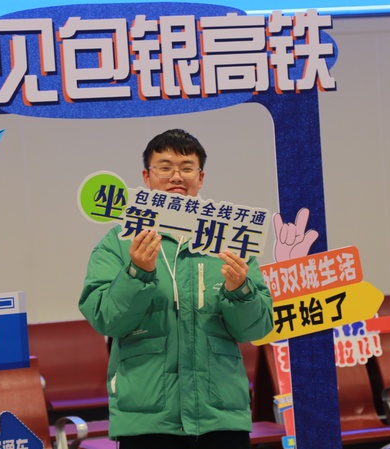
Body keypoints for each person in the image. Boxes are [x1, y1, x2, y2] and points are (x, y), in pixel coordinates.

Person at [78, 129, 274, 449]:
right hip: (147, 420)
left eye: (186, 167)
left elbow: (256, 328)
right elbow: (106, 320)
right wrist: (136, 273)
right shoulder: (119, 242)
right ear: (147, 176)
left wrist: (240, 290)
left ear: (201, 177)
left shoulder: (230, 240)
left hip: (220, 416)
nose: (176, 176)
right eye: (165, 167)